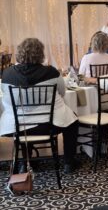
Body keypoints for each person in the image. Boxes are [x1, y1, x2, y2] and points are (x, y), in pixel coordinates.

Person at [0, 38, 79, 173]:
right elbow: (62, 92)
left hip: (18, 126)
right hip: (48, 125)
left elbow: (4, 93)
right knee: (72, 121)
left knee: (25, 121)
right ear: (41, 54)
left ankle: (26, 162)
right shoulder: (52, 72)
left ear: (20, 53)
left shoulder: (7, 74)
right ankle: (68, 163)